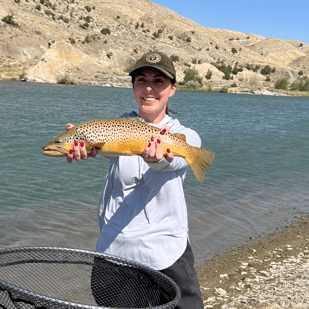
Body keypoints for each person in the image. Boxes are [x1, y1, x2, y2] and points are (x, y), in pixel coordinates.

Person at [66, 51, 204, 309]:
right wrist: (85, 144)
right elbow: (98, 145)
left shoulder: (186, 137)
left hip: (165, 254)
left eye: (159, 81)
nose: (148, 88)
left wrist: (155, 158)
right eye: (141, 80)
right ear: (133, 86)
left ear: (173, 88)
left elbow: (172, 162)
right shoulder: (118, 125)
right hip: (114, 252)